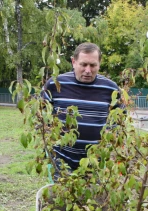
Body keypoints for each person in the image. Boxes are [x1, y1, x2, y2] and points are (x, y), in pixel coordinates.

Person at [42, 42, 121, 174]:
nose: (88, 70)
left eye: (93, 65)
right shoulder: (55, 84)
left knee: (95, 195)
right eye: (83, 65)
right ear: (74, 62)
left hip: (96, 163)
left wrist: (109, 145)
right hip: (61, 162)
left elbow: (119, 121)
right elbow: (41, 117)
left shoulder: (111, 89)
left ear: (99, 64)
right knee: (60, 195)